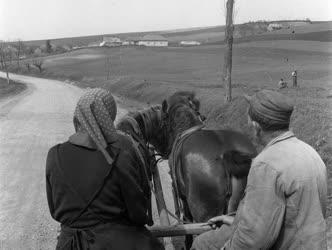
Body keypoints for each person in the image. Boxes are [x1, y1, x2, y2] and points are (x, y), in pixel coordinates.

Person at [192, 90, 327, 250]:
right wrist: (235, 219)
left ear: (256, 127)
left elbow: (253, 239)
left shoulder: (266, 164)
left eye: (249, 119)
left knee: (201, 244)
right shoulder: (310, 152)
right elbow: (290, 212)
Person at [46, 88, 164, 250]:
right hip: (115, 241)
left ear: (78, 116)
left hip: (69, 243)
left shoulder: (54, 154)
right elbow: (137, 212)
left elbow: (54, 209)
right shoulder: (122, 151)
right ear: (108, 119)